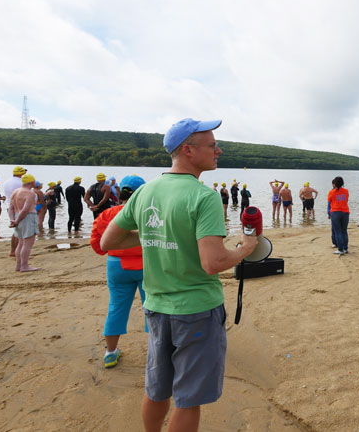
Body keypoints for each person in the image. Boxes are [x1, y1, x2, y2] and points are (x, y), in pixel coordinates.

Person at [101, 118, 257, 432]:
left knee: (157, 388)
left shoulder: (145, 192)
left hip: (157, 308)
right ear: (188, 150)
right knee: (188, 399)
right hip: (197, 310)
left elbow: (109, 241)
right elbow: (212, 263)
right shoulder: (204, 196)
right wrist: (245, 248)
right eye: (212, 145)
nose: (219, 150)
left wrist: (150, 234)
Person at [90, 175, 147, 369]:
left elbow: (98, 246)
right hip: (146, 265)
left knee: (116, 307)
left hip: (117, 265)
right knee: (153, 308)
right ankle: (158, 352)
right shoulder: (148, 214)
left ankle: (110, 352)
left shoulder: (107, 214)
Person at [8, 173, 40, 271]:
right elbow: (26, 209)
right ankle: (24, 266)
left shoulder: (15, 191)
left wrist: (13, 219)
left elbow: (11, 208)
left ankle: (19, 265)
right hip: (28, 217)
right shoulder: (30, 194)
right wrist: (16, 221)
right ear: (31, 182)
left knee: (21, 243)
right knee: (27, 243)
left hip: (18, 216)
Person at [5, 166, 27, 257]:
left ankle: (13, 251)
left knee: (17, 230)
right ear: (20, 173)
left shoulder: (7, 181)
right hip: (19, 207)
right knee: (22, 231)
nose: (25, 174)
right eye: (24, 173)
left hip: (9, 207)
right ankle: (19, 252)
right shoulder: (21, 182)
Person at [328, 176, 349, 255]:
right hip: (345, 212)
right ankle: (345, 248)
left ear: (335, 184)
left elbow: (329, 201)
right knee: (344, 231)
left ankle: (340, 249)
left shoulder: (331, 192)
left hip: (335, 212)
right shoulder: (346, 191)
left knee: (337, 232)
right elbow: (346, 200)